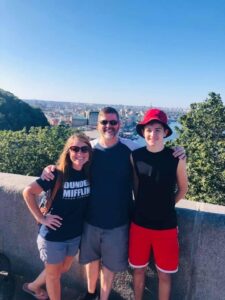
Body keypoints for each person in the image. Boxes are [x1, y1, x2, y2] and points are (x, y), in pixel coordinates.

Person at [42, 107, 185, 300]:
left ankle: (103, 297)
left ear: (119, 124)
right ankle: (90, 294)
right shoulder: (89, 149)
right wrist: (50, 169)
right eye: (104, 122)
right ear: (98, 124)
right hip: (91, 219)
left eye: (113, 122)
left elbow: (151, 166)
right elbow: (69, 165)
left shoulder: (131, 150)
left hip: (120, 222)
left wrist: (179, 151)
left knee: (109, 266)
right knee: (92, 262)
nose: (109, 126)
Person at [22, 133, 92, 300]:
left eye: (84, 149)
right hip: (53, 236)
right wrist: (41, 218)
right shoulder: (56, 174)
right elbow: (28, 192)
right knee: (54, 276)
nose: (80, 153)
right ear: (68, 151)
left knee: (62, 268)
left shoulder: (89, 174)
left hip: (74, 235)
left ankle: (32, 286)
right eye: (75, 149)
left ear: (89, 152)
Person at [129, 108, 188, 300]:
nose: (152, 134)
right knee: (138, 271)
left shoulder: (176, 158)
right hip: (139, 225)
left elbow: (183, 188)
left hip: (166, 227)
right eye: (148, 129)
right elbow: (137, 188)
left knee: (165, 275)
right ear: (143, 132)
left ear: (165, 133)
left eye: (157, 129)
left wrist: (167, 206)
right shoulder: (135, 156)